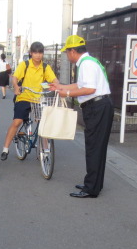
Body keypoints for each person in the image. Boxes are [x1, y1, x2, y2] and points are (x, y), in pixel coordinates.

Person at [49, 35, 114, 198]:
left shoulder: (86, 65)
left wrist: (67, 93)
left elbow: (89, 89)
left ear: (72, 51)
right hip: (100, 106)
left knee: (94, 147)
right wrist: (61, 87)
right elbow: (81, 85)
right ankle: (93, 184)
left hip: (97, 107)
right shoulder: (89, 62)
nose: (66, 56)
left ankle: (91, 188)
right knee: (96, 147)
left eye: (67, 52)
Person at [0, 41, 59, 160]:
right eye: (35, 52)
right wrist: (16, 87)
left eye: (40, 53)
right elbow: (15, 78)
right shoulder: (25, 65)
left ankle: (44, 150)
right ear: (31, 53)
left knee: (42, 123)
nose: (38, 55)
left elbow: (54, 80)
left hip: (38, 98)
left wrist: (57, 87)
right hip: (24, 97)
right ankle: (5, 149)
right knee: (17, 122)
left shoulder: (45, 67)